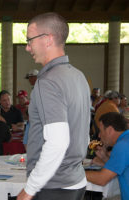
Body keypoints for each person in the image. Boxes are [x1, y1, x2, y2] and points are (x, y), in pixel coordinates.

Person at [17, 13, 90, 200]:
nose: (27, 47)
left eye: (29, 40)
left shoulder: (48, 82)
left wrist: (30, 189)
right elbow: (83, 132)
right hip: (76, 181)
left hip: (54, 187)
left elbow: (57, 142)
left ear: (47, 39)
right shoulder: (78, 76)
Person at [86, 112, 129, 200]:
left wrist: (74, 173)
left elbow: (102, 179)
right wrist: (104, 158)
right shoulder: (126, 139)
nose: (99, 135)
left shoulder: (122, 145)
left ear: (109, 130)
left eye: (101, 131)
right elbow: (122, 167)